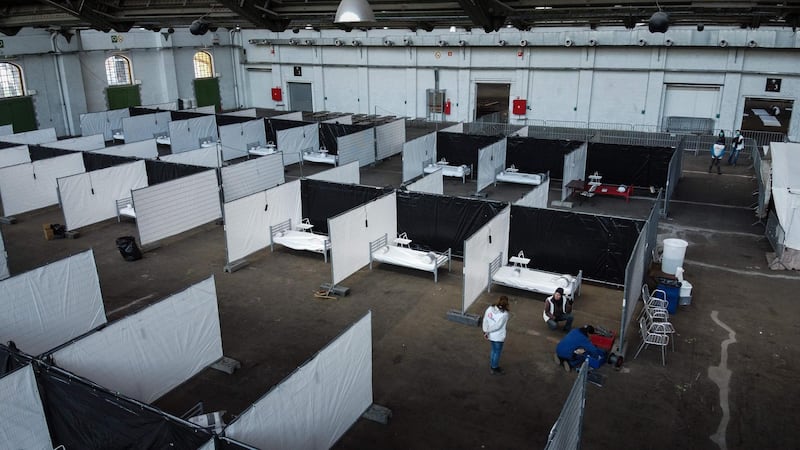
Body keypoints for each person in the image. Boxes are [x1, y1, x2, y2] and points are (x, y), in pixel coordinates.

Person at [482, 296, 510, 375]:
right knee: (497, 352)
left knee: (493, 350)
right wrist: (487, 331)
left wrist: (485, 331)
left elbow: (485, 319)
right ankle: (494, 367)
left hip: (490, 335)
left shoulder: (490, 308)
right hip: (498, 337)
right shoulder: (505, 314)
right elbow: (498, 326)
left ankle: (492, 364)